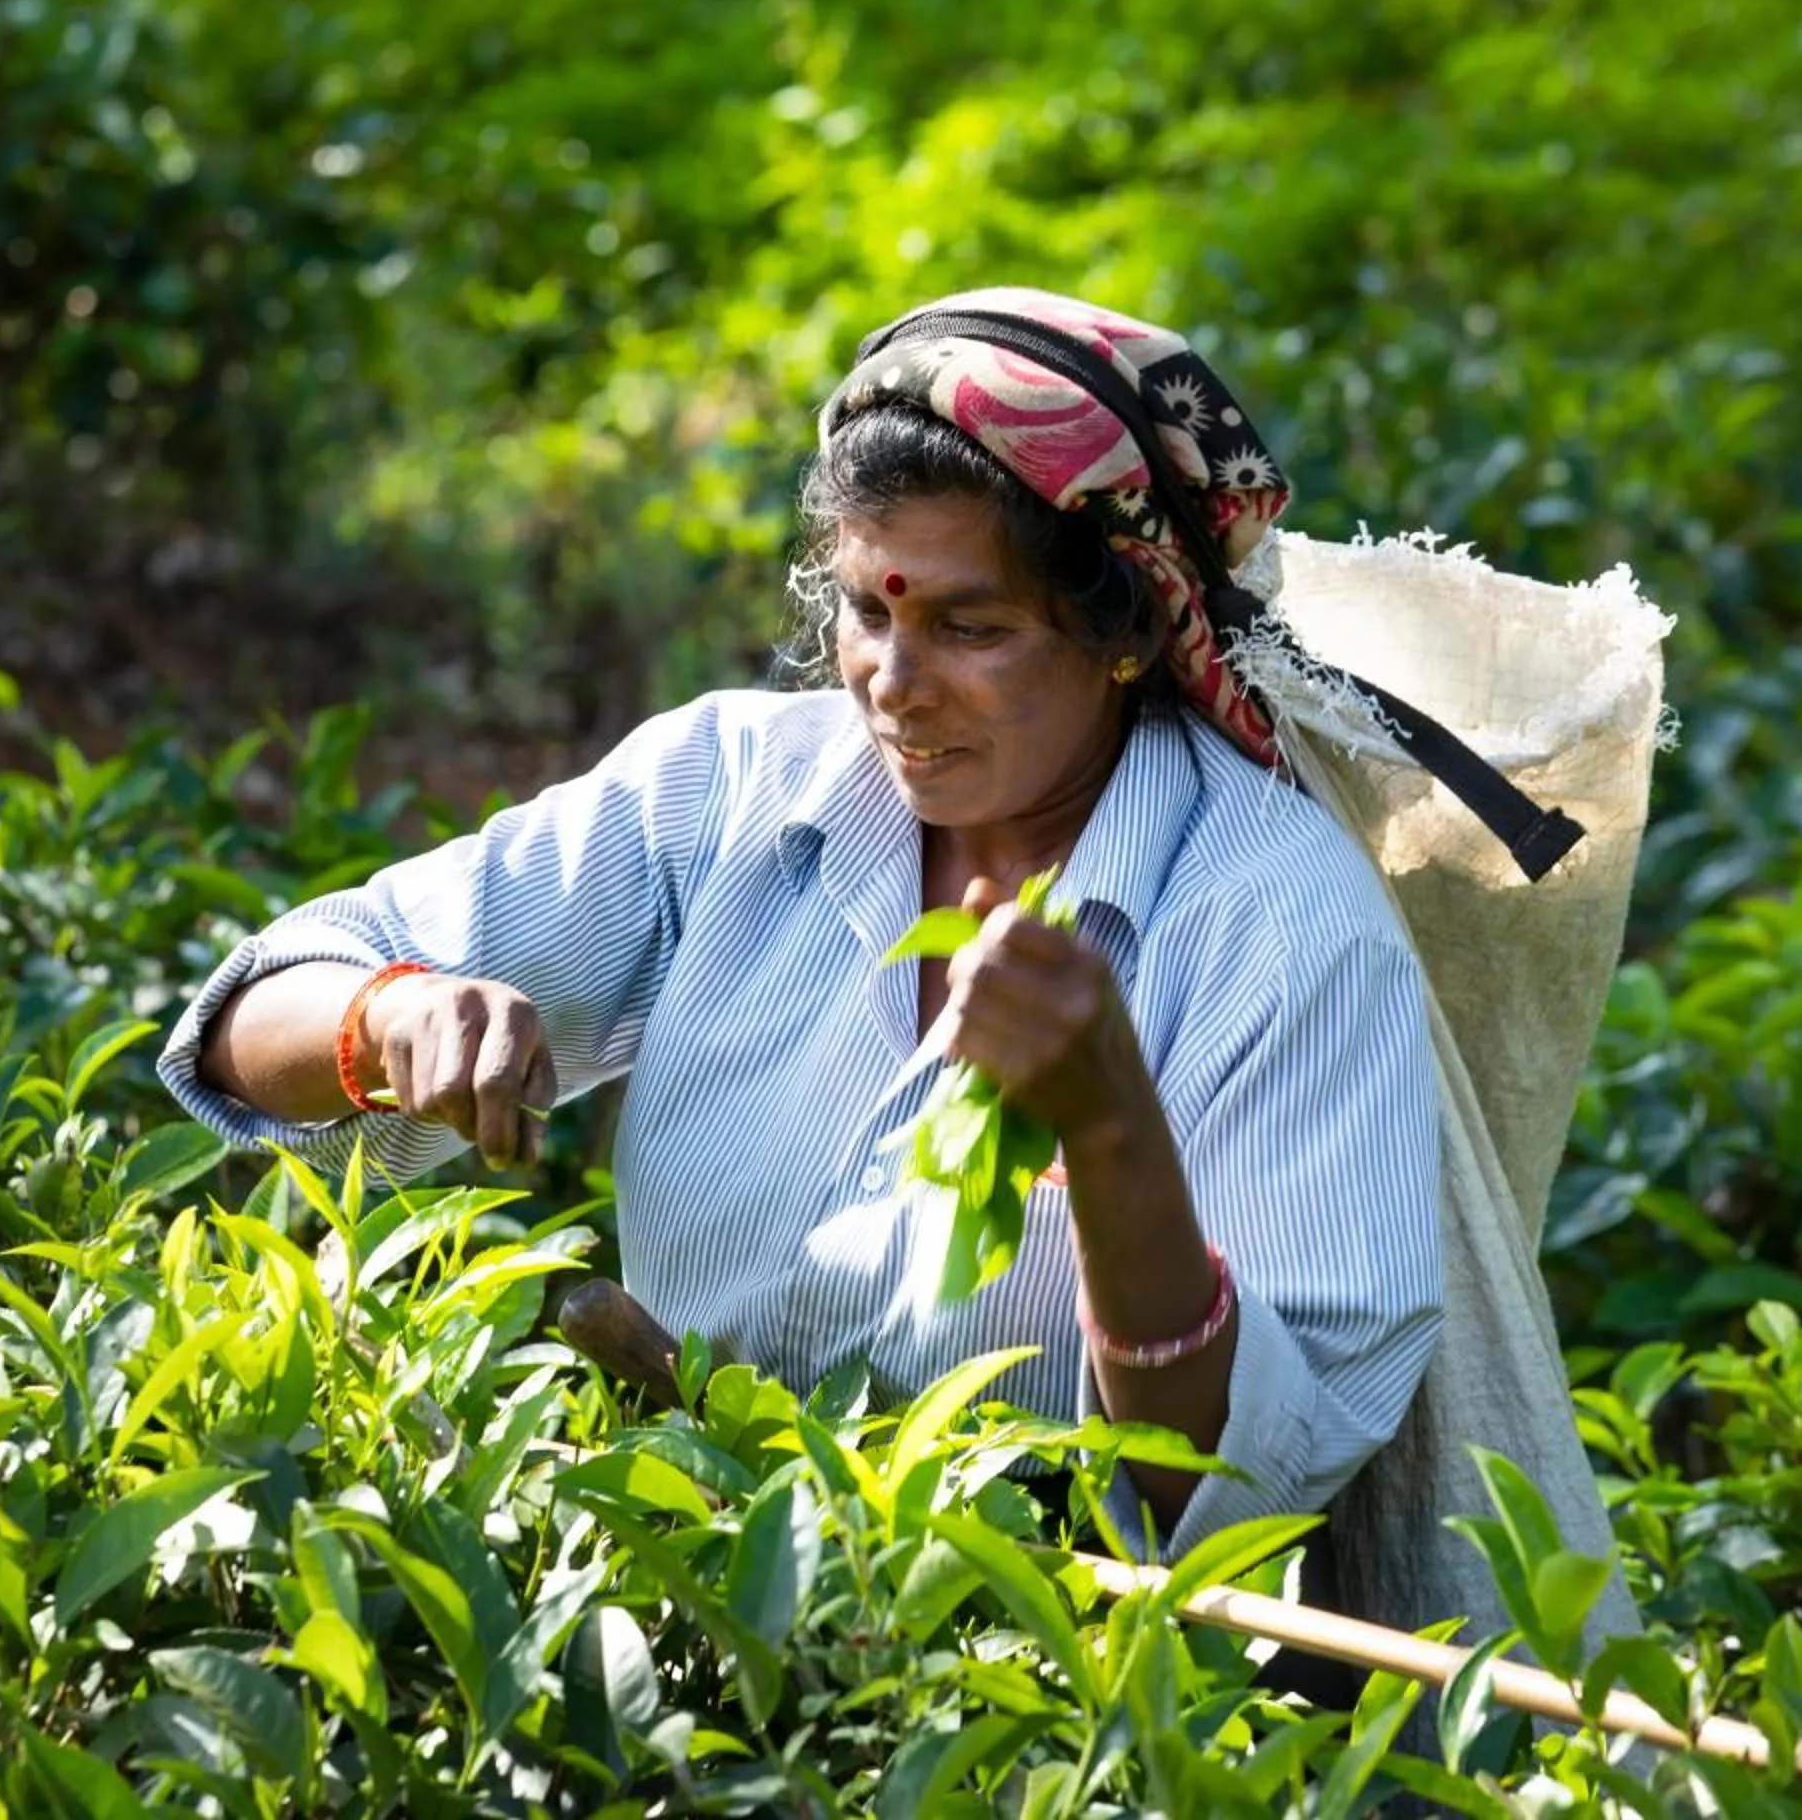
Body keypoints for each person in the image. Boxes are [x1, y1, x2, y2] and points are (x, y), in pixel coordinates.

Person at [158, 288, 1450, 1558]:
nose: (895, 683)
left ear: (1125, 630)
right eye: (868, 612)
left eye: (972, 627)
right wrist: (388, 1016)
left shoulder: (1279, 928)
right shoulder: (728, 789)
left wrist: (1109, 1126)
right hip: (674, 1578)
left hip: (1031, 1654)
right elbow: (239, 1030)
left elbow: (1238, 1489)